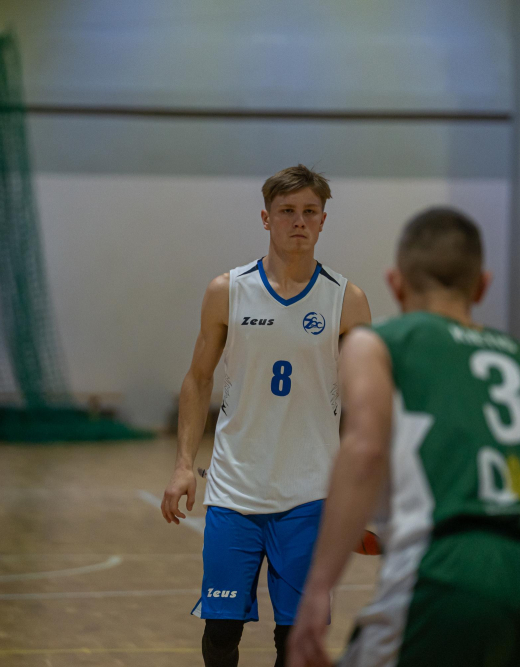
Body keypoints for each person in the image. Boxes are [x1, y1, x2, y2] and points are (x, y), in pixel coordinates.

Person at [288, 207, 520, 667]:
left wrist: (318, 588)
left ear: (396, 283)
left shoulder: (378, 342)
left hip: (453, 572)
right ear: (482, 285)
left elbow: (365, 451)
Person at [160, 165, 372, 667]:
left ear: (323, 221)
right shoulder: (227, 290)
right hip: (235, 489)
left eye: (310, 212)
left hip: (311, 493)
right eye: (287, 211)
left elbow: (368, 401)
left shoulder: (348, 301)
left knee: (296, 639)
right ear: (265, 218)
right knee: (221, 631)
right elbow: (198, 379)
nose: (299, 221)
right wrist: (184, 465)